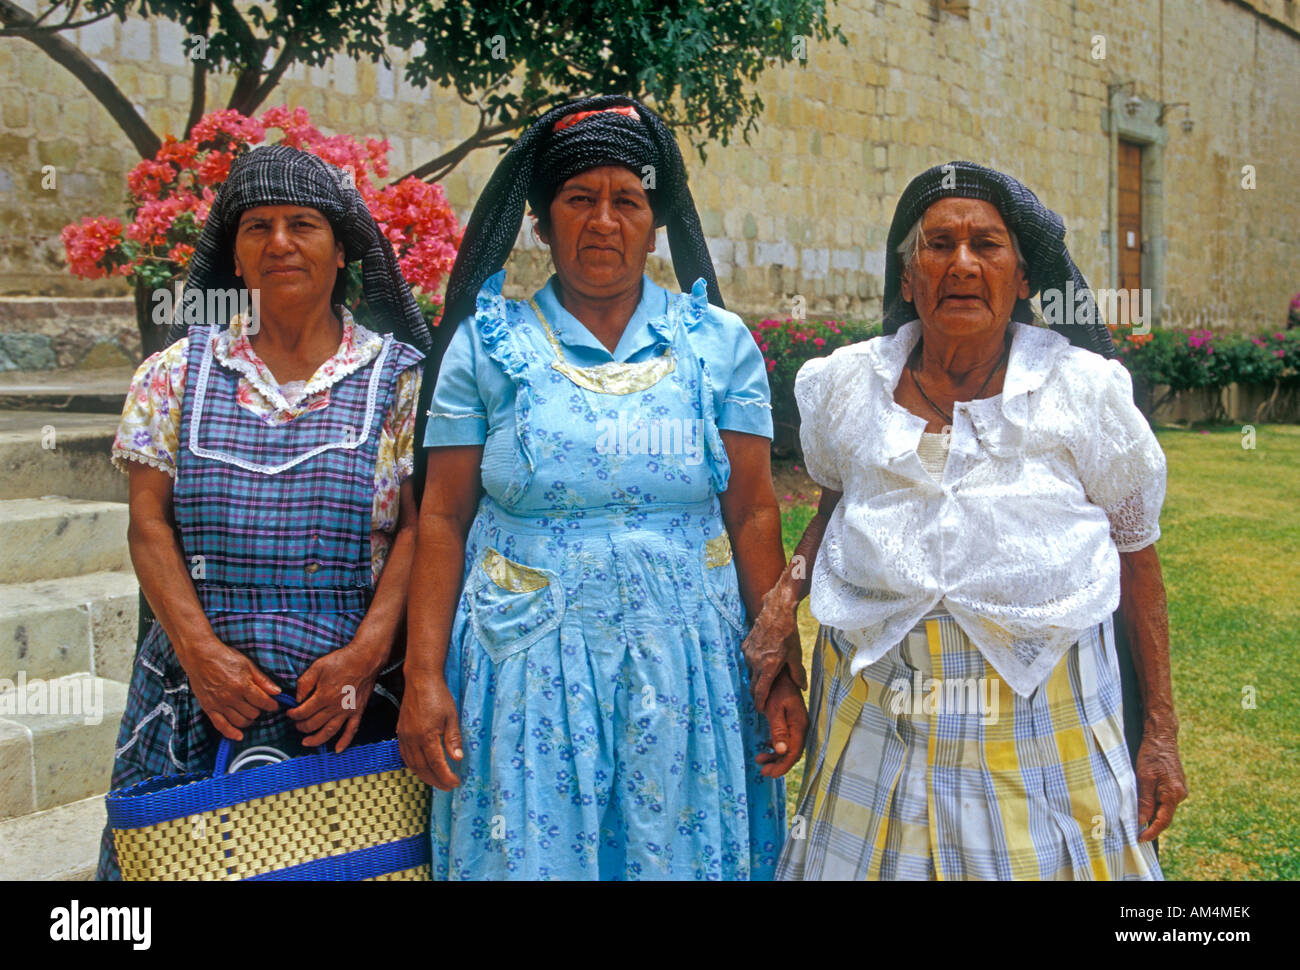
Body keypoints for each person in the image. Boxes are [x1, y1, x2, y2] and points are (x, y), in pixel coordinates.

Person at [399, 95, 805, 880]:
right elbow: (443, 516)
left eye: (629, 201)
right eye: (579, 200)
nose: (604, 221)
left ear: (656, 221)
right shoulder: (490, 346)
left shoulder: (718, 345)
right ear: (543, 224)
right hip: (526, 662)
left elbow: (754, 506)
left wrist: (777, 661)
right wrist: (423, 677)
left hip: (689, 663)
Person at [744, 161, 1187, 880]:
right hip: (876, 724)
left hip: (1043, 733)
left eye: (987, 246)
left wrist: (1160, 728)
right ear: (908, 277)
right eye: (938, 244)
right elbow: (834, 502)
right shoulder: (850, 385)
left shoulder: (1081, 392)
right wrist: (782, 602)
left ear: (1021, 278)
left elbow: (1137, 554)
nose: (961, 263)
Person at [97, 145, 429, 880]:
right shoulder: (174, 376)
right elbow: (148, 525)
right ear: (236, 258)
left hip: (346, 709)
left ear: (342, 249)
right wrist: (200, 654)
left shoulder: (402, 380)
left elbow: (418, 528)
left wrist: (366, 656)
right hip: (200, 702)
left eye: (302, 224)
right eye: (258, 227)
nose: (279, 243)